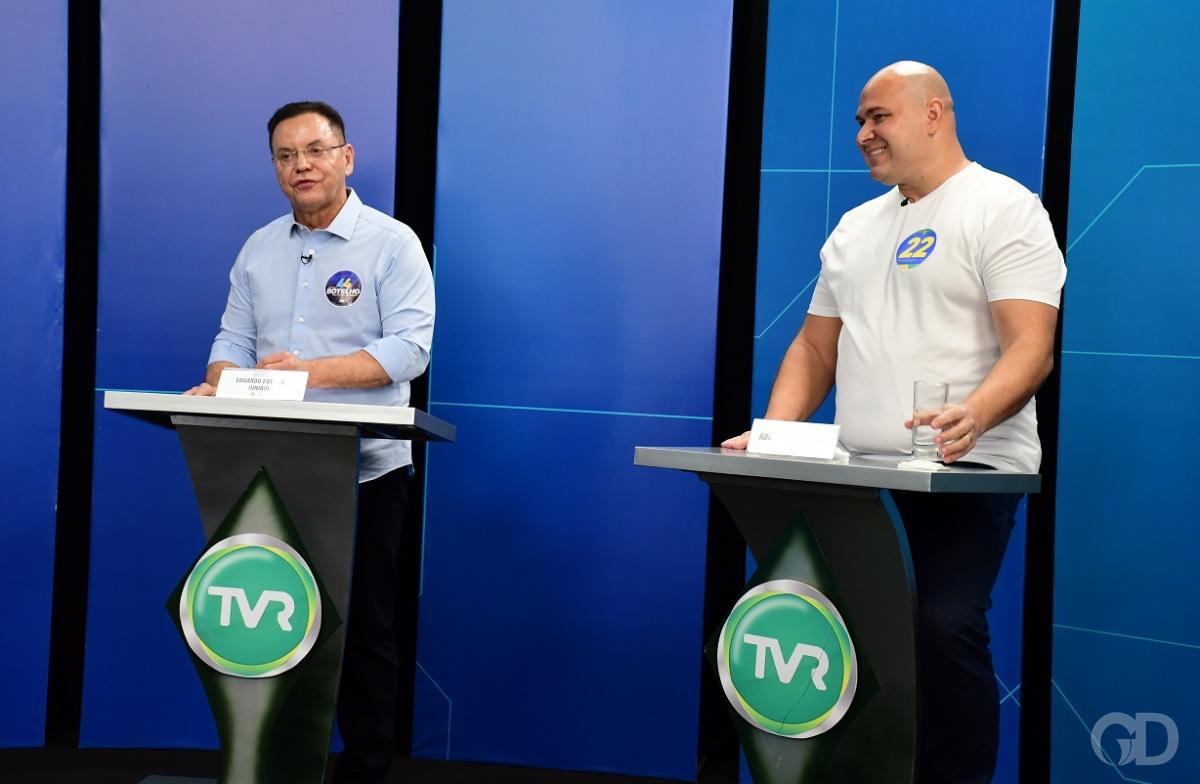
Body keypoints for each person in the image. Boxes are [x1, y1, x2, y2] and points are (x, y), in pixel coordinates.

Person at [723, 62, 1065, 783]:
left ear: (935, 113)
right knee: (831, 628)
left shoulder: (1005, 208)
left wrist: (975, 412)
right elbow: (815, 348)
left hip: (965, 471)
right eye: (859, 120)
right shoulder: (855, 228)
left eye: (878, 117)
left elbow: (1031, 346)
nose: (863, 134)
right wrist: (772, 434)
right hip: (858, 479)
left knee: (942, 626)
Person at [185, 100, 435, 784]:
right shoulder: (259, 248)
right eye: (286, 155)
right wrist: (220, 381)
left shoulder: (392, 244)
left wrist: (306, 375)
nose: (302, 165)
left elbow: (409, 351)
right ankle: (272, 763)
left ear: (346, 158)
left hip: (366, 473)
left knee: (361, 631)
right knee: (274, 621)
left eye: (316, 150)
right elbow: (233, 339)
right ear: (274, 167)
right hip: (270, 468)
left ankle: (364, 769)